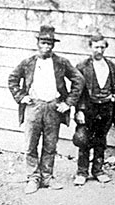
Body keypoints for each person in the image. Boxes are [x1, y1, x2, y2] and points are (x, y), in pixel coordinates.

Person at [8, 25, 85, 194]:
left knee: (50, 145)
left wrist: (68, 103)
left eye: (50, 43)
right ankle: (33, 178)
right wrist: (21, 97)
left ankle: (47, 177)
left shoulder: (61, 62)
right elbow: (12, 79)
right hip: (33, 107)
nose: (46, 47)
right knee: (30, 145)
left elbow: (78, 80)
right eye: (43, 43)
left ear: (53, 45)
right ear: (38, 43)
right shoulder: (28, 63)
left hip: (53, 107)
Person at [73, 32, 115, 186]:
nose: (99, 50)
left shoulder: (111, 66)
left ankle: (98, 170)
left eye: (102, 47)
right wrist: (79, 110)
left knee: (100, 140)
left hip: (106, 108)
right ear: (90, 47)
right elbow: (77, 90)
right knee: (84, 140)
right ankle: (82, 172)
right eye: (96, 47)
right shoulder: (82, 67)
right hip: (88, 108)